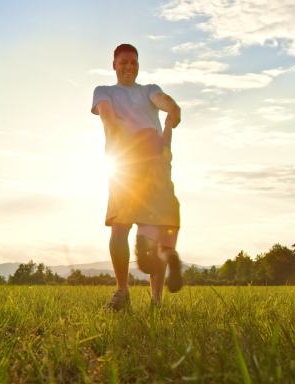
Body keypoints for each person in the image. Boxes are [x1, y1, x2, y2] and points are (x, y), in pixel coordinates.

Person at [91, 43, 183, 310]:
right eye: (123, 62)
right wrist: (140, 141)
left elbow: (163, 101)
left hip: (151, 164)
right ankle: (122, 292)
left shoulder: (148, 90)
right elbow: (108, 118)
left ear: (138, 65)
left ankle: (156, 301)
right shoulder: (104, 91)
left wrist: (172, 111)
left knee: (152, 227)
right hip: (125, 164)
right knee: (121, 228)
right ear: (114, 64)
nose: (128, 67)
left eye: (133, 62)